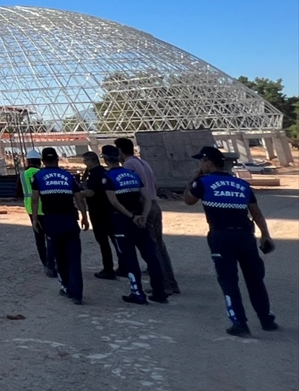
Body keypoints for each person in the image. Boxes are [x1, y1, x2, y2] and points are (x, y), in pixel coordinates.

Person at [184, 146, 277, 337]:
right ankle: (266, 318)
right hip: (245, 236)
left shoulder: (202, 183)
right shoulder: (241, 185)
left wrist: (194, 178)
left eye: (202, 162)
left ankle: (239, 323)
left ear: (208, 162)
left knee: (228, 281)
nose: (200, 165)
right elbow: (256, 212)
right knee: (254, 279)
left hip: (221, 237)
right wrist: (265, 235)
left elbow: (188, 200)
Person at [101, 145, 168, 305]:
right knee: (151, 257)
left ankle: (137, 293)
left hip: (122, 221)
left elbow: (114, 201)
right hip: (140, 220)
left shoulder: (108, 177)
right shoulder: (132, 175)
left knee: (129, 258)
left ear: (105, 158)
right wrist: (143, 216)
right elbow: (147, 197)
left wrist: (131, 216)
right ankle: (160, 292)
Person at [115, 137, 179, 294]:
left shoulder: (129, 165)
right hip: (154, 204)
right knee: (159, 245)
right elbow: (154, 185)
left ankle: (164, 285)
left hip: (145, 207)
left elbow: (132, 188)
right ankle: (170, 281)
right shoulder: (144, 163)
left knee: (151, 247)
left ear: (120, 151)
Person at [30, 147, 88, 304]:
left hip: (52, 221)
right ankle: (77, 294)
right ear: (57, 159)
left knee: (59, 257)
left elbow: (35, 199)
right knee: (74, 258)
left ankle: (66, 288)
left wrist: (35, 219)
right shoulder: (68, 176)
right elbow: (79, 199)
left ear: (43, 161)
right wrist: (84, 217)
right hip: (70, 220)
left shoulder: (38, 177)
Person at [79, 150, 122, 279]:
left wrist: (79, 194)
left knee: (103, 242)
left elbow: (92, 192)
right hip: (109, 211)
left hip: (98, 212)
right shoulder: (104, 172)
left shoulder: (93, 175)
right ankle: (124, 265)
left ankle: (108, 269)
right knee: (115, 240)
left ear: (90, 161)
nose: (85, 164)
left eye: (85, 161)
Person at [21, 148, 56, 277]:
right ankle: (53, 262)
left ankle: (46, 264)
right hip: (45, 207)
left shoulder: (23, 174)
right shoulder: (42, 173)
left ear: (28, 161)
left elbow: (19, 191)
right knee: (51, 237)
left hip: (31, 208)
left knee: (39, 238)